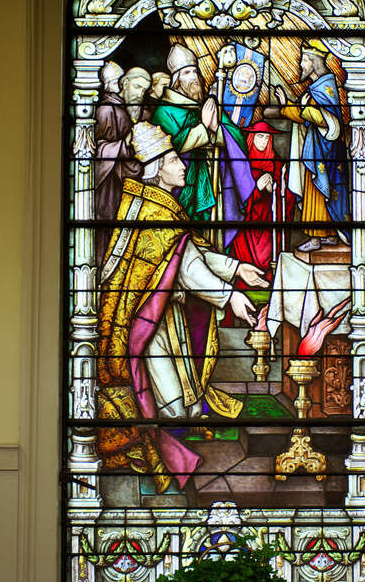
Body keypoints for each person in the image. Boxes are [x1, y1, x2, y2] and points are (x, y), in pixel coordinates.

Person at [97, 122, 268, 493]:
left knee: (188, 409)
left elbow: (193, 254)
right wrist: (230, 297)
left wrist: (237, 268)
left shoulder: (161, 206)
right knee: (174, 412)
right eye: (175, 159)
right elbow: (189, 270)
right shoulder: (153, 213)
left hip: (163, 314)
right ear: (158, 166)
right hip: (145, 322)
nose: (183, 165)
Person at [150, 44, 254, 248]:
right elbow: (169, 147)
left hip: (218, 186)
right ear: (176, 79)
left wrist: (218, 129)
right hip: (186, 186)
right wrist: (203, 128)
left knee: (217, 236)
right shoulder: (164, 112)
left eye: (195, 71)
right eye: (187, 72)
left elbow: (238, 139)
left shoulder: (207, 104)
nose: (194, 77)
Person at [274, 39, 350, 252]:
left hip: (324, 152)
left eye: (304, 61)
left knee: (318, 189)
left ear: (314, 62)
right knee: (315, 188)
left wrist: (304, 109)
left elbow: (329, 121)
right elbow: (307, 116)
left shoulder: (325, 88)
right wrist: (287, 107)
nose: (301, 65)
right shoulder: (317, 87)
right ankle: (326, 235)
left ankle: (319, 237)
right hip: (317, 150)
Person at [94, 65, 151, 264]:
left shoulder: (133, 113)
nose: (139, 94)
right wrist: (123, 146)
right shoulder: (106, 109)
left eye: (144, 90)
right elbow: (94, 150)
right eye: (136, 87)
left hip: (125, 185)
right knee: (106, 235)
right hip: (107, 188)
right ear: (123, 83)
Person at [230, 119, 295, 281]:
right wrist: (255, 189)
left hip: (268, 220)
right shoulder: (241, 163)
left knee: (266, 256)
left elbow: (288, 195)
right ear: (251, 137)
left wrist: (275, 190)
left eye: (267, 138)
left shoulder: (278, 164)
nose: (263, 141)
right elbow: (233, 196)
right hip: (246, 223)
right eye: (260, 136)